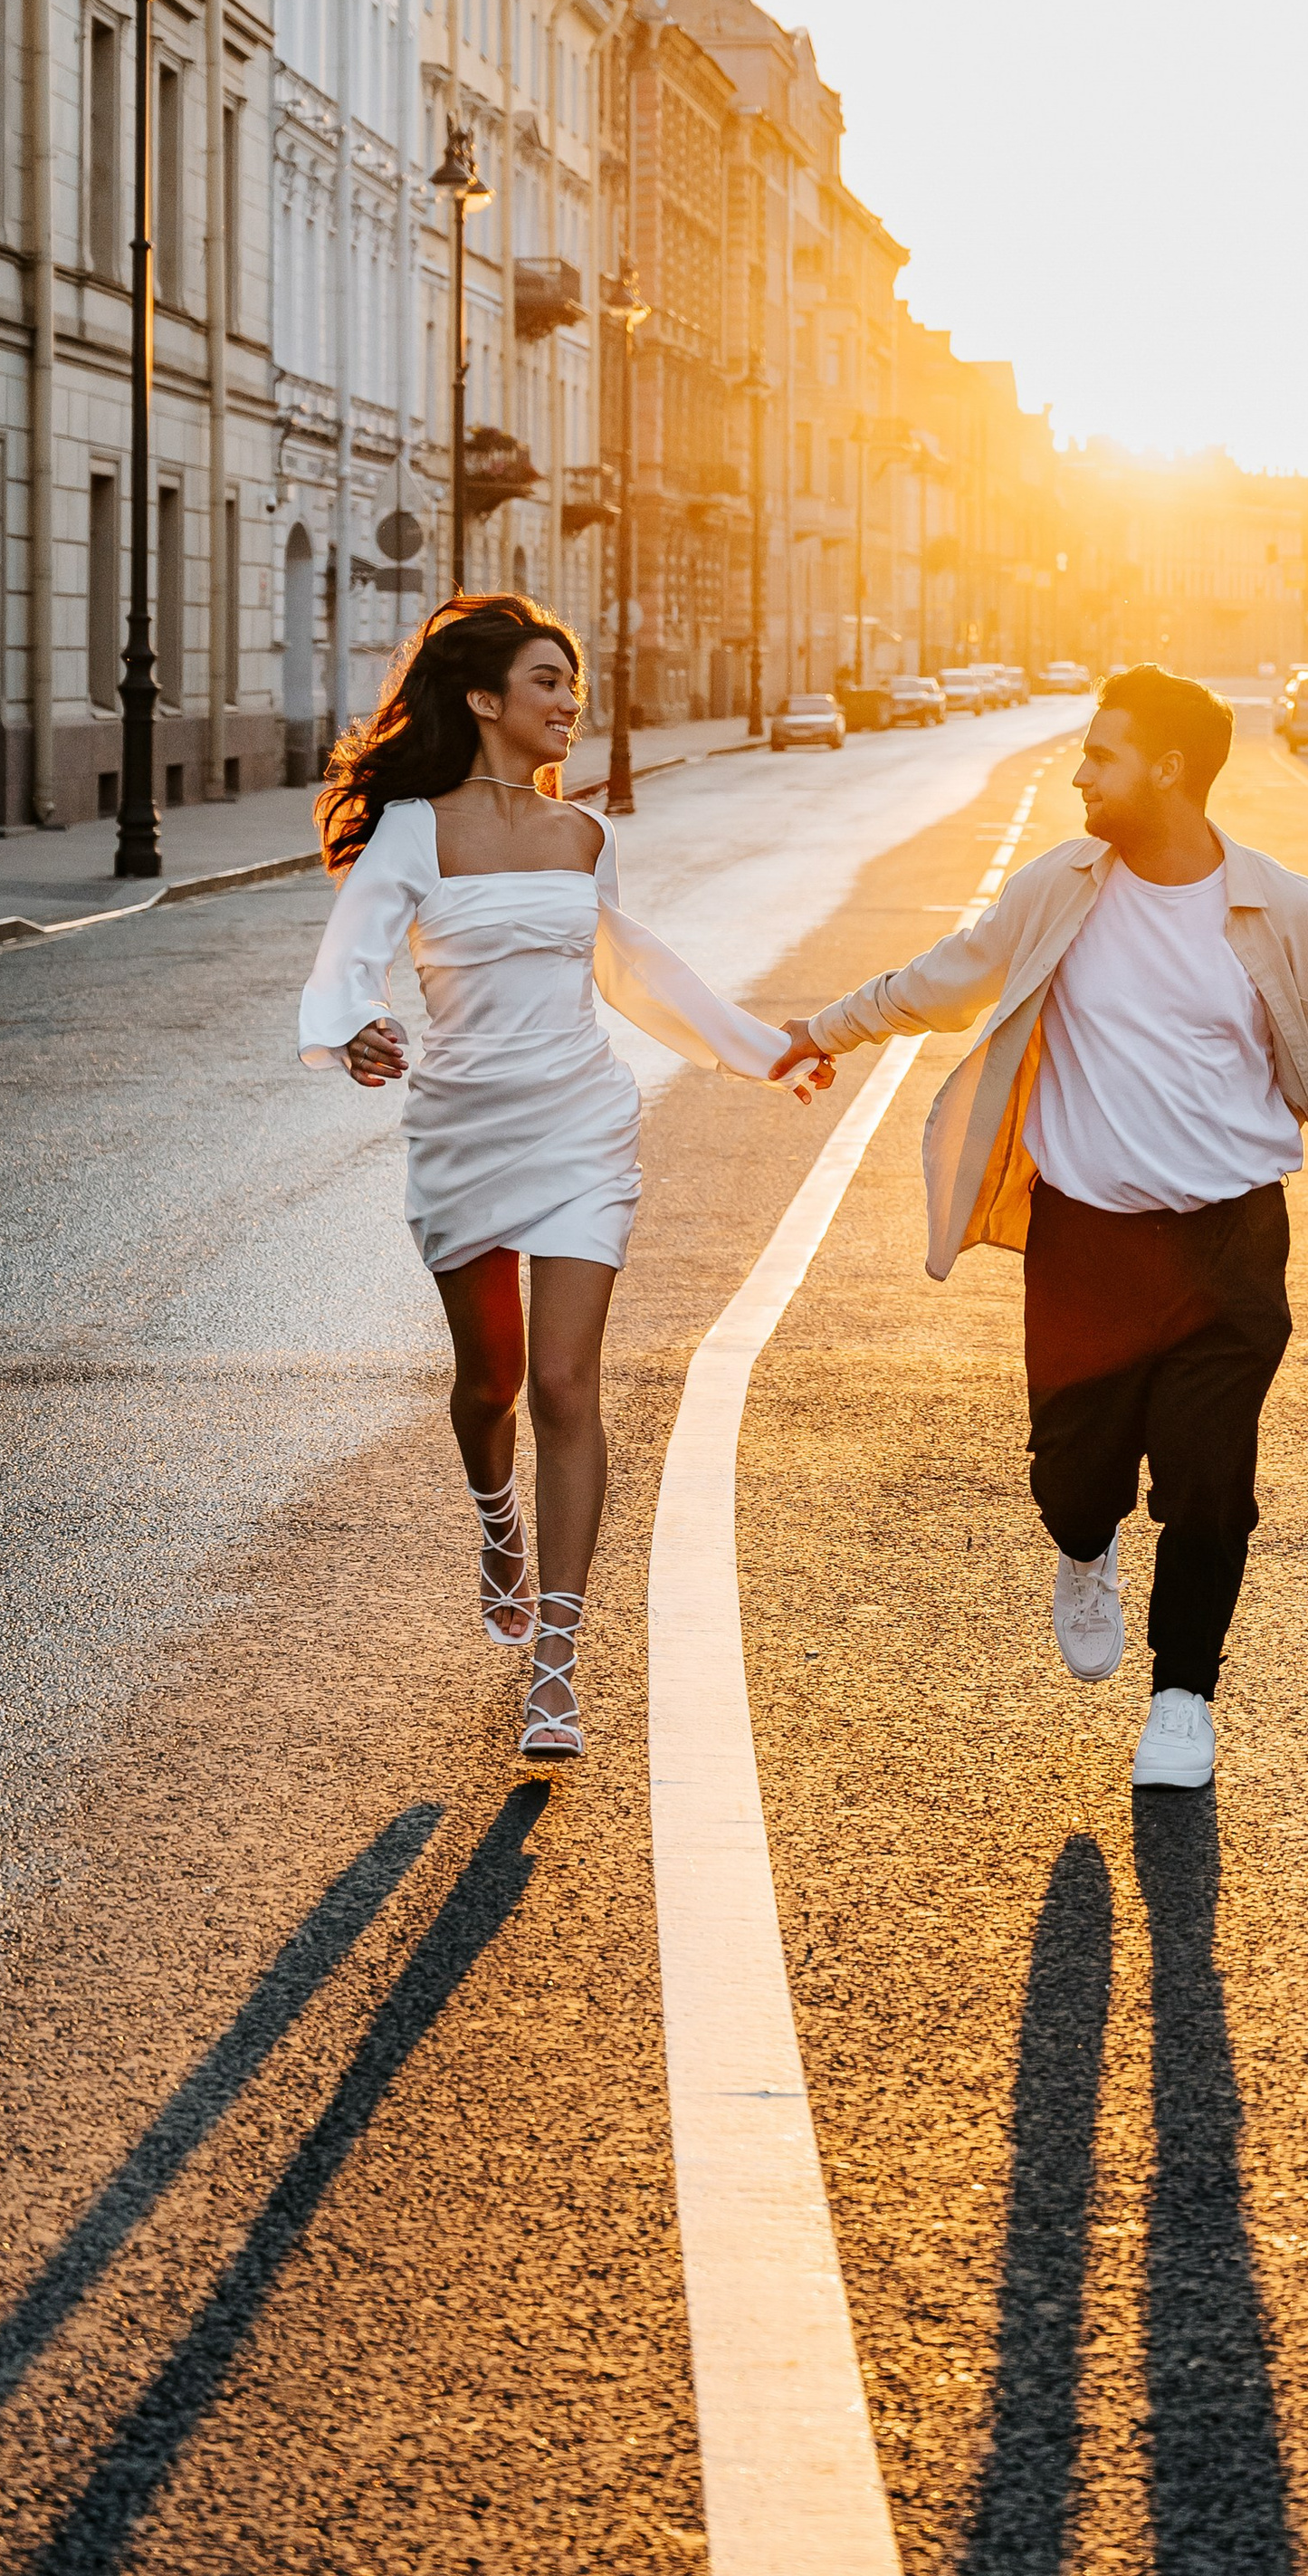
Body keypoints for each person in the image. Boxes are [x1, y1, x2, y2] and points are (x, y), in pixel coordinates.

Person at [777, 663, 1308, 1790]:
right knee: (1072, 1480)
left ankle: (1183, 1694)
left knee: (1209, 1482)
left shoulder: (1287, 912)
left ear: (1169, 768)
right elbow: (946, 979)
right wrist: (824, 1029)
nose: (1081, 774)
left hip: (1230, 1245)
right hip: (1084, 1244)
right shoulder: (1062, 888)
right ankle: (1085, 1550)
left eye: (1102, 755)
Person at [299, 591, 814, 1759]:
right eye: (547, 680)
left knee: (565, 1382)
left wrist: (763, 1050)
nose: (569, 701)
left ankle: (557, 1665)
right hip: (464, 1127)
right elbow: (350, 959)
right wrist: (353, 1029)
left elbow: (635, 968)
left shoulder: (584, 835)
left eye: (572, 683)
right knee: (489, 1380)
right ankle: (499, 1527)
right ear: (483, 697)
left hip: (581, 1122)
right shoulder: (412, 831)